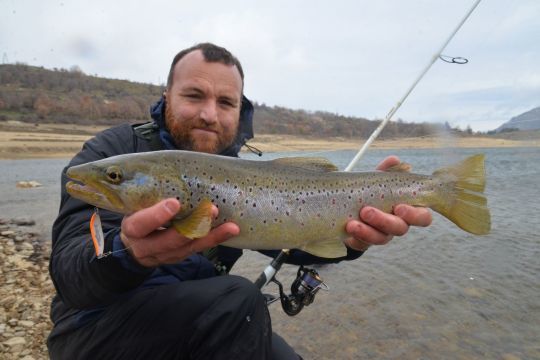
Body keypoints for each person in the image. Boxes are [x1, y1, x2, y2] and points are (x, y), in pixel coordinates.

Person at [47, 42, 432, 359]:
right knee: (239, 300)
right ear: (167, 97)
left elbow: (291, 243)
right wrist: (126, 252)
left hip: (205, 318)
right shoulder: (110, 155)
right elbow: (70, 275)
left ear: (240, 110)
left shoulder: (238, 172)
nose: (209, 114)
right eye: (194, 95)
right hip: (98, 328)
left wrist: (352, 239)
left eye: (226, 103)